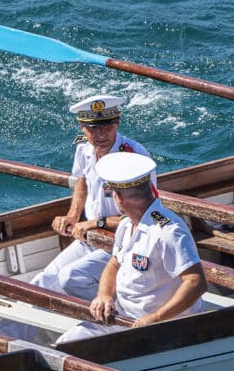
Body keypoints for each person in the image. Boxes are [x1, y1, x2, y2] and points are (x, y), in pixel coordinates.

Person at [56, 152, 206, 343]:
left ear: (118, 197)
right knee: (64, 345)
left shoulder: (168, 232)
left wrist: (156, 318)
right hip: (123, 316)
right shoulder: (127, 225)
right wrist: (104, 295)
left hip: (164, 327)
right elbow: (114, 264)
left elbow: (195, 282)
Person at [29, 95, 152, 300]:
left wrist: (95, 223)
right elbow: (82, 179)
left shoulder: (134, 158)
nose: (100, 134)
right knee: (42, 281)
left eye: (107, 127)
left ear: (117, 123)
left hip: (124, 242)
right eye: (93, 128)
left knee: (71, 278)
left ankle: (124, 310)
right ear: (82, 127)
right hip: (91, 236)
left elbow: (143, 217)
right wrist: (73, 215)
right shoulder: (84, 149)